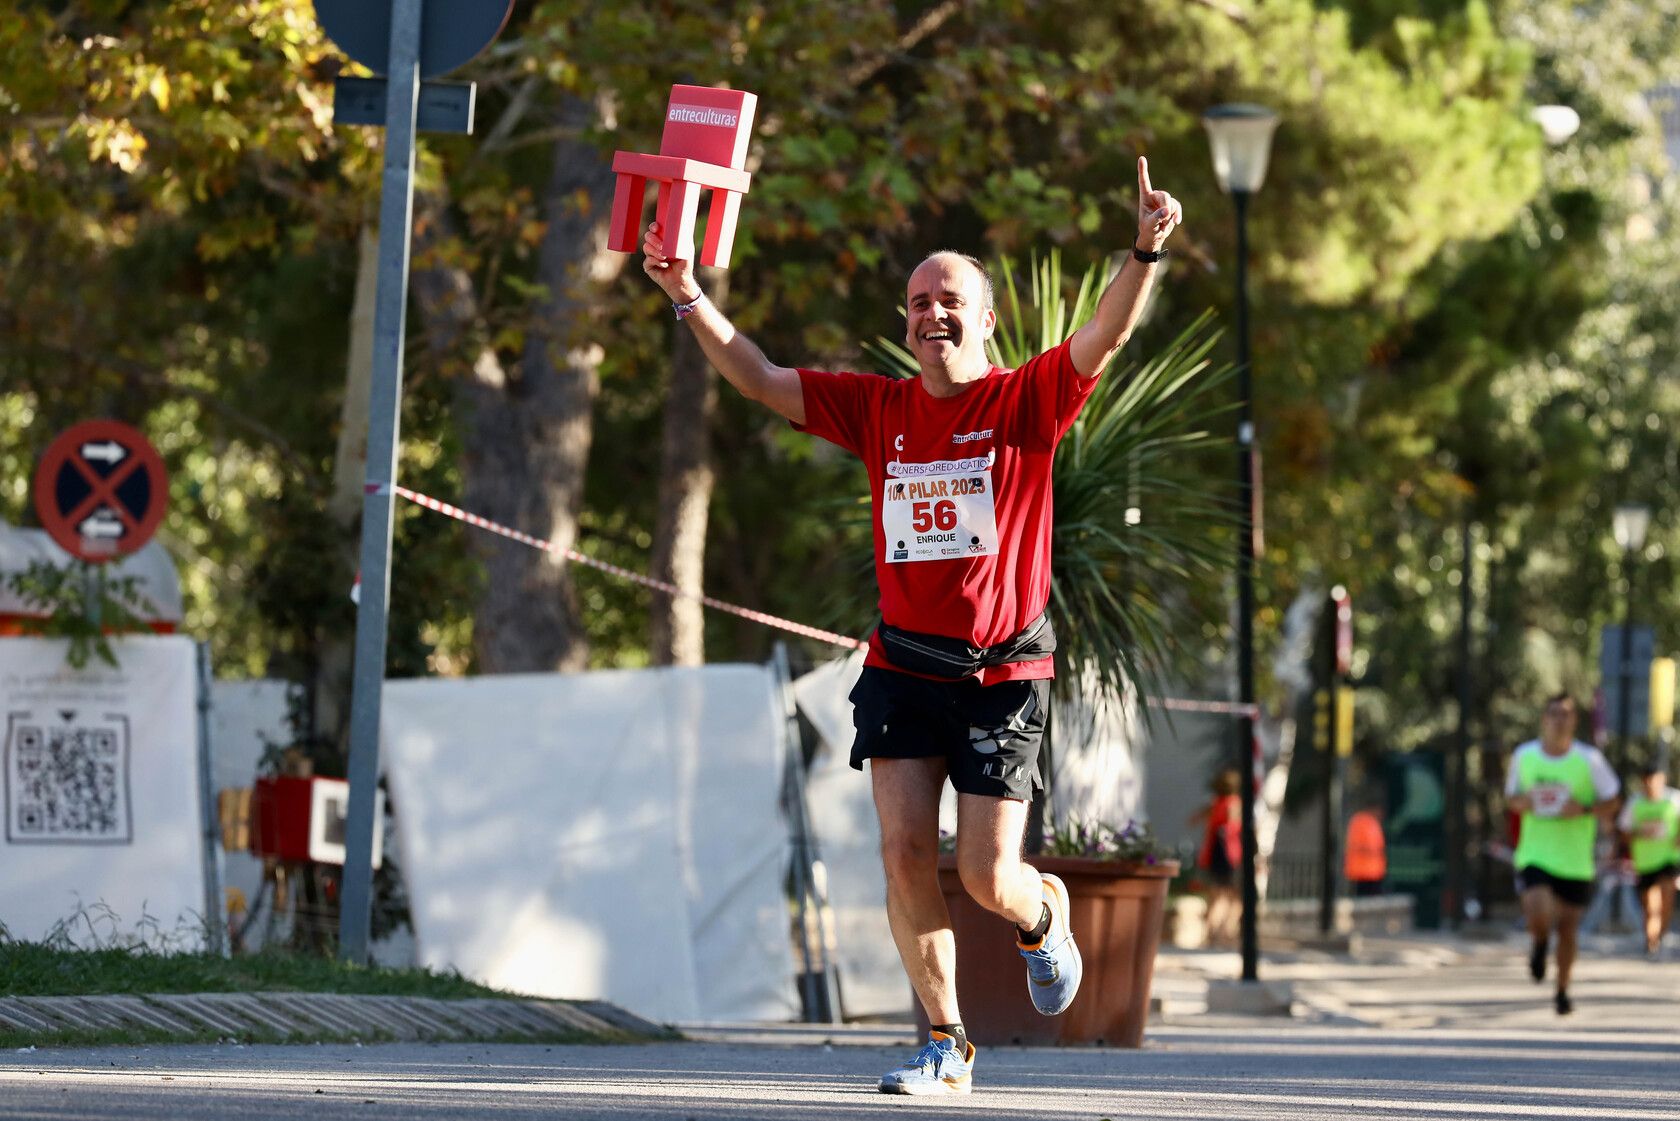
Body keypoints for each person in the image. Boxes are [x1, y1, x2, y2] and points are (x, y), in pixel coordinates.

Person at [643, 158, 1181, 1094]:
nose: (933, 311)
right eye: (918, 300)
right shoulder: (879, 408)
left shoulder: (1026, 400)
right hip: (902, 665)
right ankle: (946, 1041)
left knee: (984, 873)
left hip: (1004, 675)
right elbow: (762, 377)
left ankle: (1040, 916)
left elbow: (1103, 332)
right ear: (907, 323)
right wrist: (688, 292)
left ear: (985, 320)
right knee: (900, 850)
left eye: (951, 299)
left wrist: (1141, 250)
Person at [1503, 692, 1620, 1015]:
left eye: (1565, 714)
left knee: (1567, 929)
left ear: (1574, 720)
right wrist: (1521, 803)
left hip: (1575, 860)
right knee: (1538, 912)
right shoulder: (1524, 756)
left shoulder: (1589, 760)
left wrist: (1583, 808)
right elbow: (1511, 797)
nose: (1559, 719)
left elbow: (1613, 800)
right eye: (1553, 713)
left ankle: (1562, 990)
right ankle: (1540, 944)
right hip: (1535, 853)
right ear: (1544, 718)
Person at [1618, 760, 1680, 959]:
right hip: (1644, 861)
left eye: (1656, 781)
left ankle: (1661, 936)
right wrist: (1640, 833)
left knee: (1667, 897)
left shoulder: (1674, 800)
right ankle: (1651, 941)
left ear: (1663, 780)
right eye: (1648, 781)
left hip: (1669, 858)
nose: (1652, 785)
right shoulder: (1635, 803)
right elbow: (1624, 832)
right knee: (1650, 904)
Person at [1190, 769, 1242, 945]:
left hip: (1213, 853)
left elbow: (1193, 820)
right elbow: (1234, 827)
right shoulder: (1233, 804)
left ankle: (1213, 933)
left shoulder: (1214, 805)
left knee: (1216, 895)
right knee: (1230, 896)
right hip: (1229, 854)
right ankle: (1225, 933)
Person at [1344, 793, 1387, 898]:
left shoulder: (1372, 822)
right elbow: (1362, 845)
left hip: (1374, 872)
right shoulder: (1360, 821)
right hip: (1362, 872)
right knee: (1365, 900)